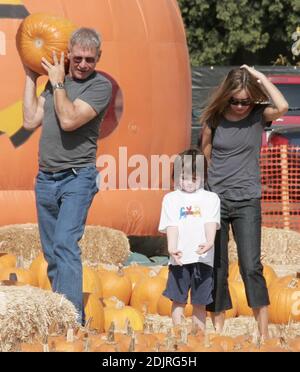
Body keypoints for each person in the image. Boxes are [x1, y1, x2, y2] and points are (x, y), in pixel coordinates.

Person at [22, 27, 112, 324]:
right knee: (51, 253)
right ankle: (59, 314)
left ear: (98, 58)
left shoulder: (100, 87)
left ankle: (73, 322)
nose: (84, 64)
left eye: (90, 59)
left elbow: (70, 119)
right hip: (46, 178)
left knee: (64, 244)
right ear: (68, 54)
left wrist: (58, 83)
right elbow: (30, 119)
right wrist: (30, 76)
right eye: (78, 58)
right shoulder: (55, 83)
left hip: (77, 178)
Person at [201, 65, 289, 340]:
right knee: (217, 265)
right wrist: (212, 180)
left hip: (247, 200)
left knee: (251, 265)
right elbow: (206, 148)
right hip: (217, 200)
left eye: (245, 100)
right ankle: (218, 329)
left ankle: (262, 332)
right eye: (235, 101)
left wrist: (260, 77)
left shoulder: (257, 115)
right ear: (226, 96)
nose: (240, 106)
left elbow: (283, 105)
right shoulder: (214, 118)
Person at [158, 148, 220, 331]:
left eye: (194, 178)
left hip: (203, 259)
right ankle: (178, 335)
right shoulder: (171, 199)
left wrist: (209, 241)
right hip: (180, 258)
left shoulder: (211, 198)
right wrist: (171, 248)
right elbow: (172, 225)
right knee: (178, 300)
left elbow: (210, 221)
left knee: (200, 302)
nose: (189, 183)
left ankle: (199, 338)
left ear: (203, 177)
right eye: (184, 178)